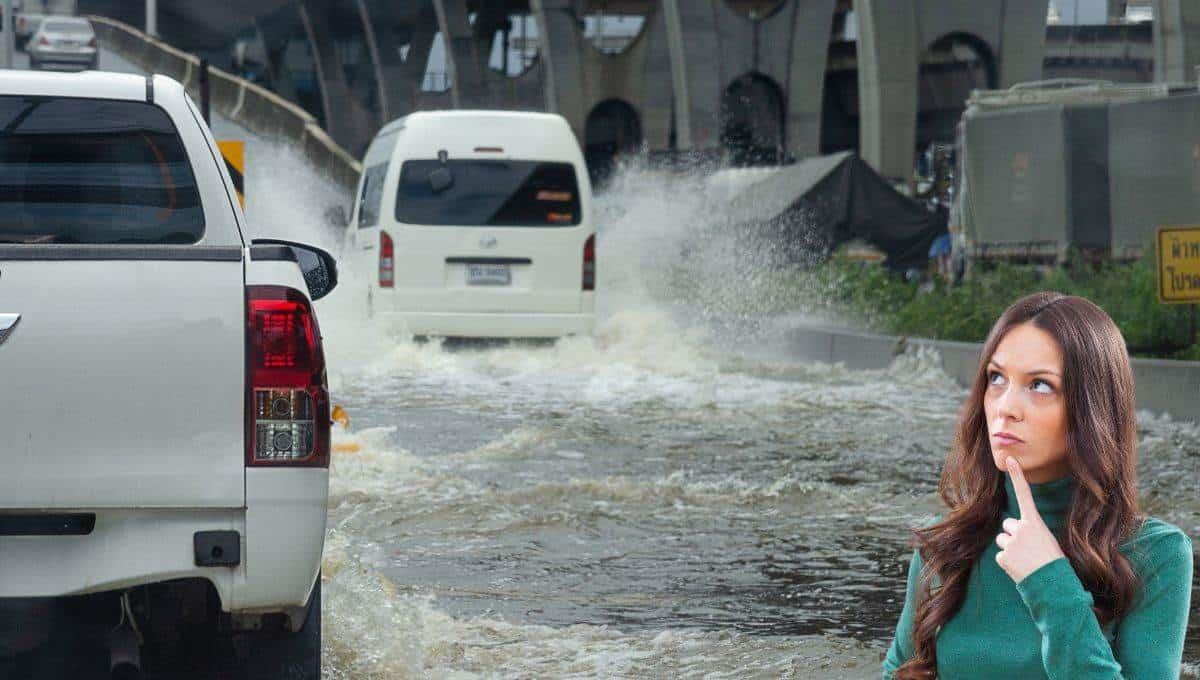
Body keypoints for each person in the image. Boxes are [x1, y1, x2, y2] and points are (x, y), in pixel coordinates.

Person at [882, 291, 1194, 679]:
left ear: (1092, 406)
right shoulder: (944, 546)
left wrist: (1048, 580)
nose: (1005, 406)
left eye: (1040, 385)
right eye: (996, 379)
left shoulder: (1157, 555)